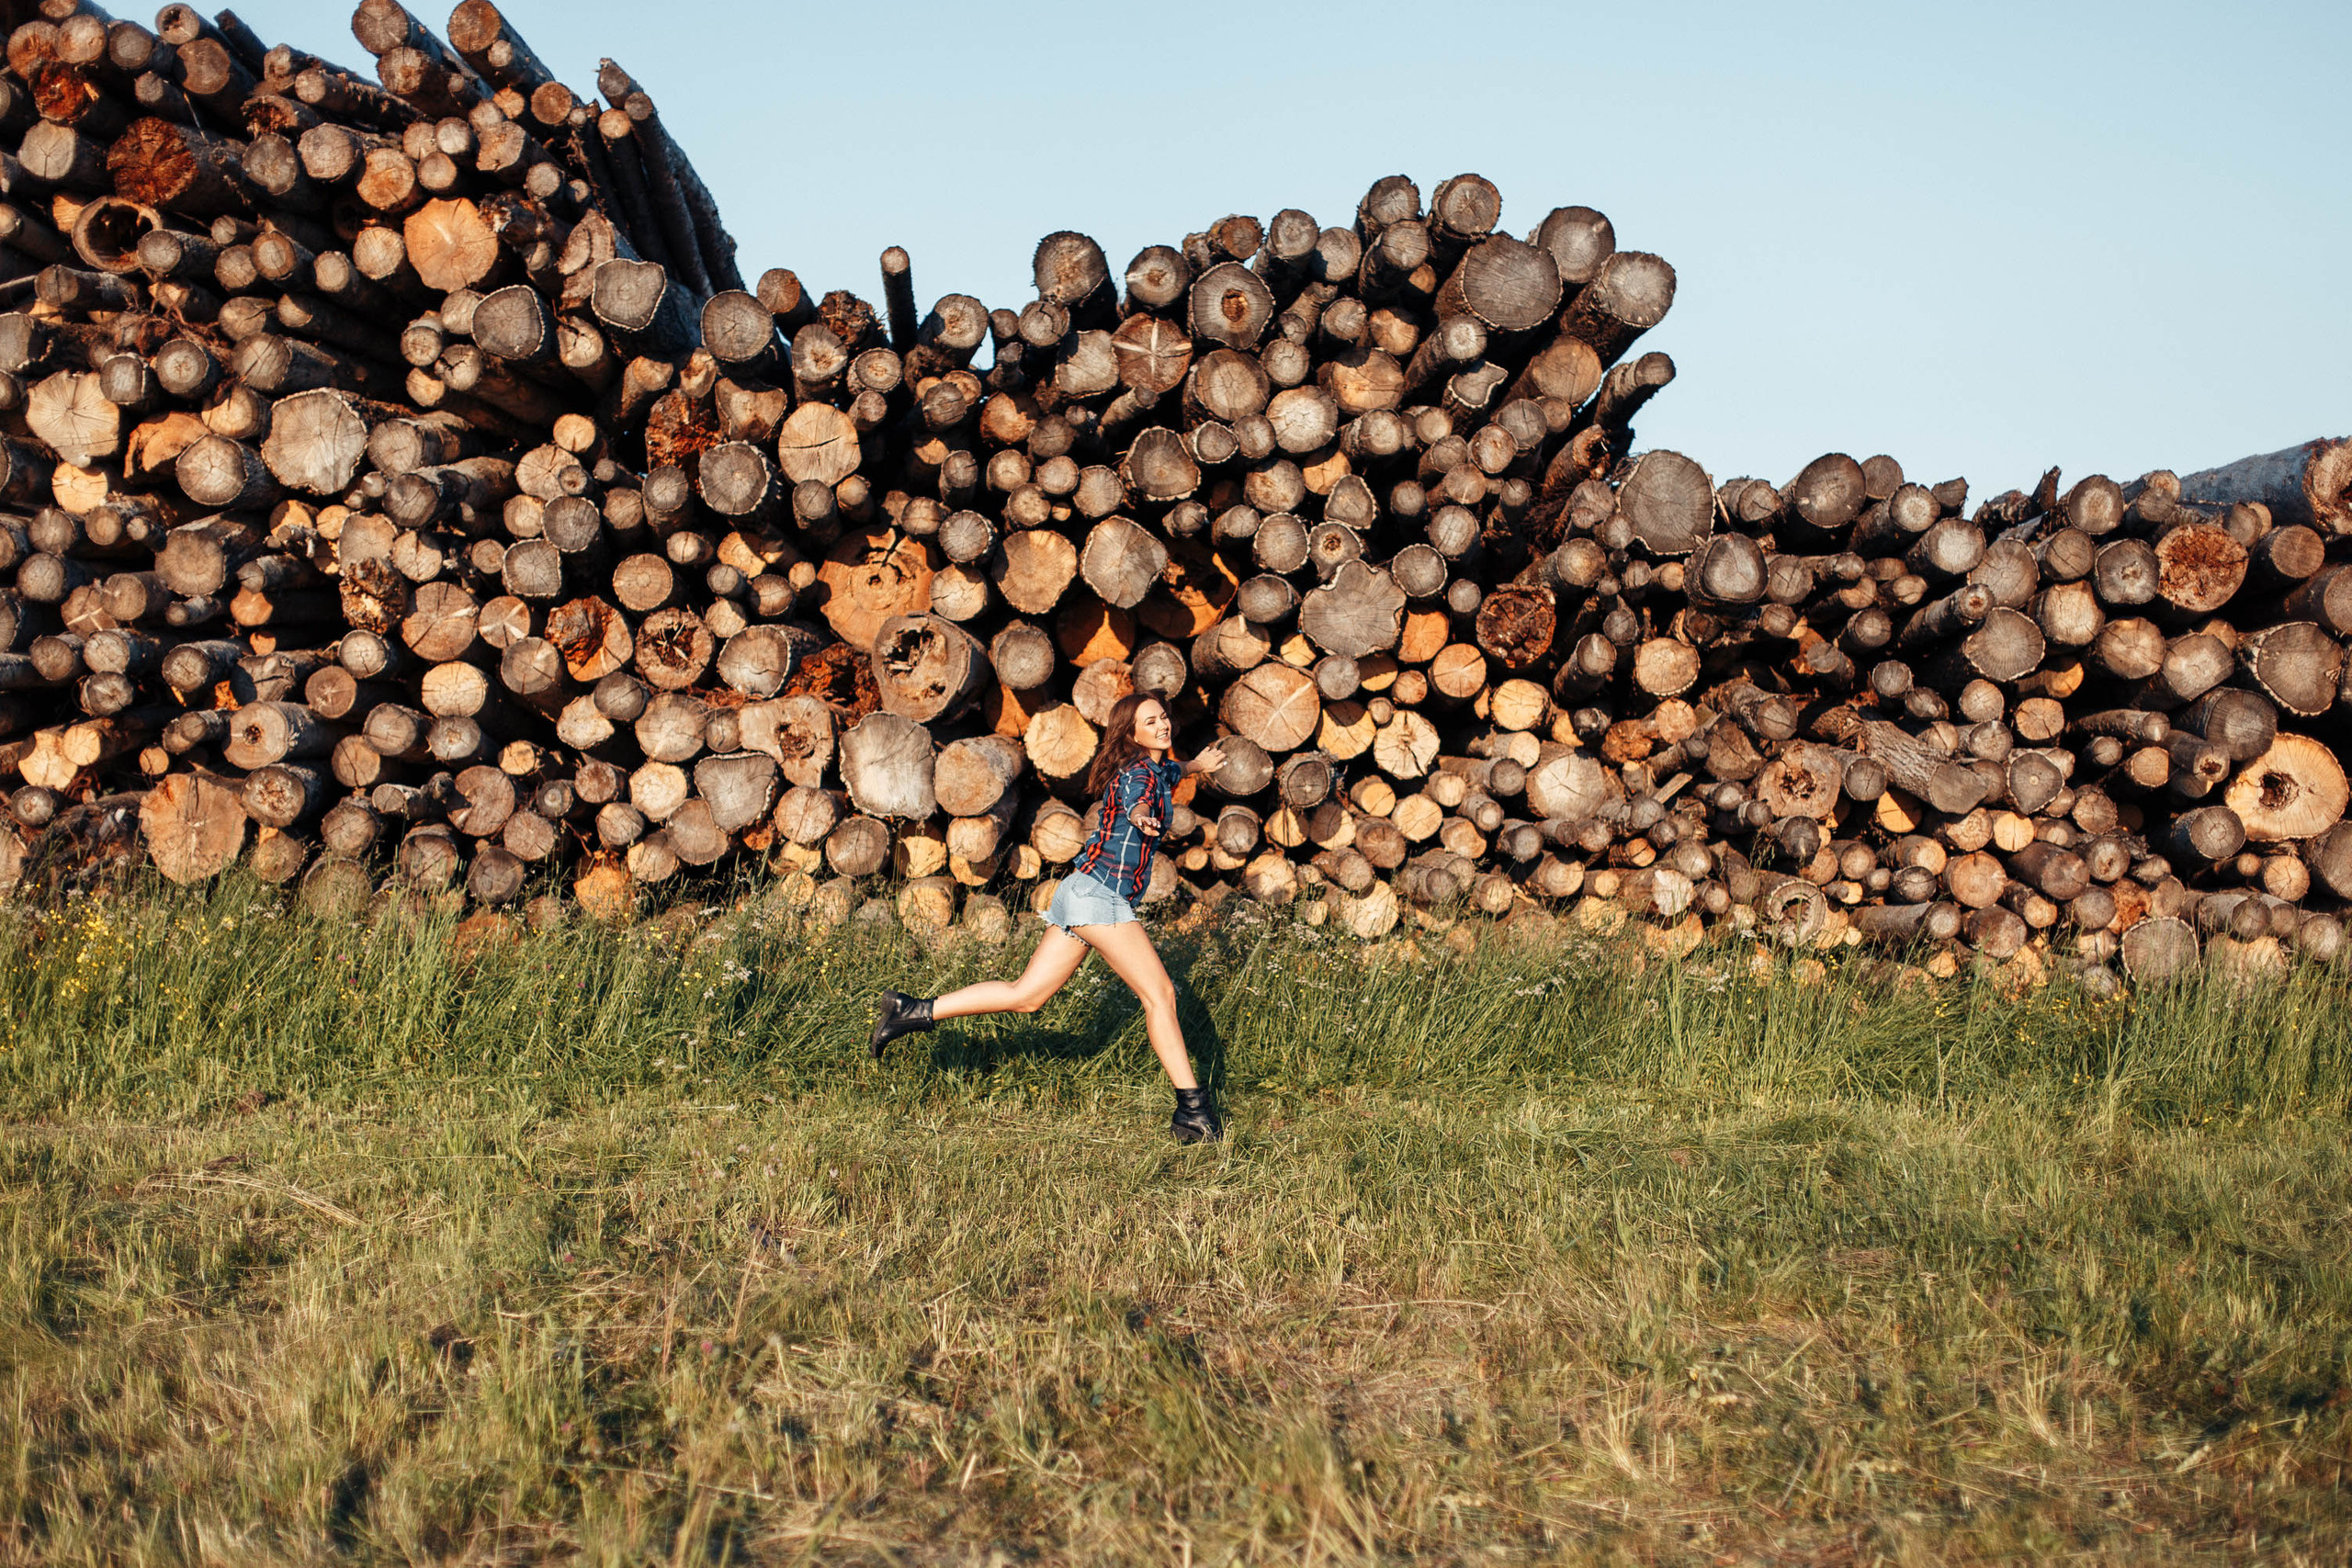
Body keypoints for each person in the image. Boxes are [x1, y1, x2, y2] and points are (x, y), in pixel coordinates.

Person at [868, 693, 1230, 1143]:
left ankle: (913, 1010)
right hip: (1100, 899)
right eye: (1150, 721)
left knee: (1027, 995)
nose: (1162, 725)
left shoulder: (1157, 769)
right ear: (1130, 732)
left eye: (1163, 717)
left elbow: (1172, 771)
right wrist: (1141, 819)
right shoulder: (1136, 775)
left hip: (1080, 893)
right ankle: (1193, 1112)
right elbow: (1137, 800)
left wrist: (1197, 764)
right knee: (1159, 996)